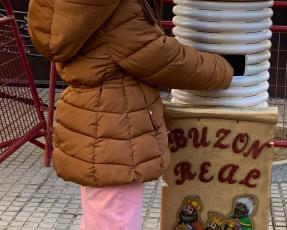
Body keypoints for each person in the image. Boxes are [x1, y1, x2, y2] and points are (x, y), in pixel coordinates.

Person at [27, 0, 233, 229]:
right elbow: (162, 57)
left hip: (96, 125)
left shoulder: (80, 7)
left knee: (101, 218)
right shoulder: (118, 8)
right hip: (116, 131)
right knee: (117, 219)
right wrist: (224, 67)